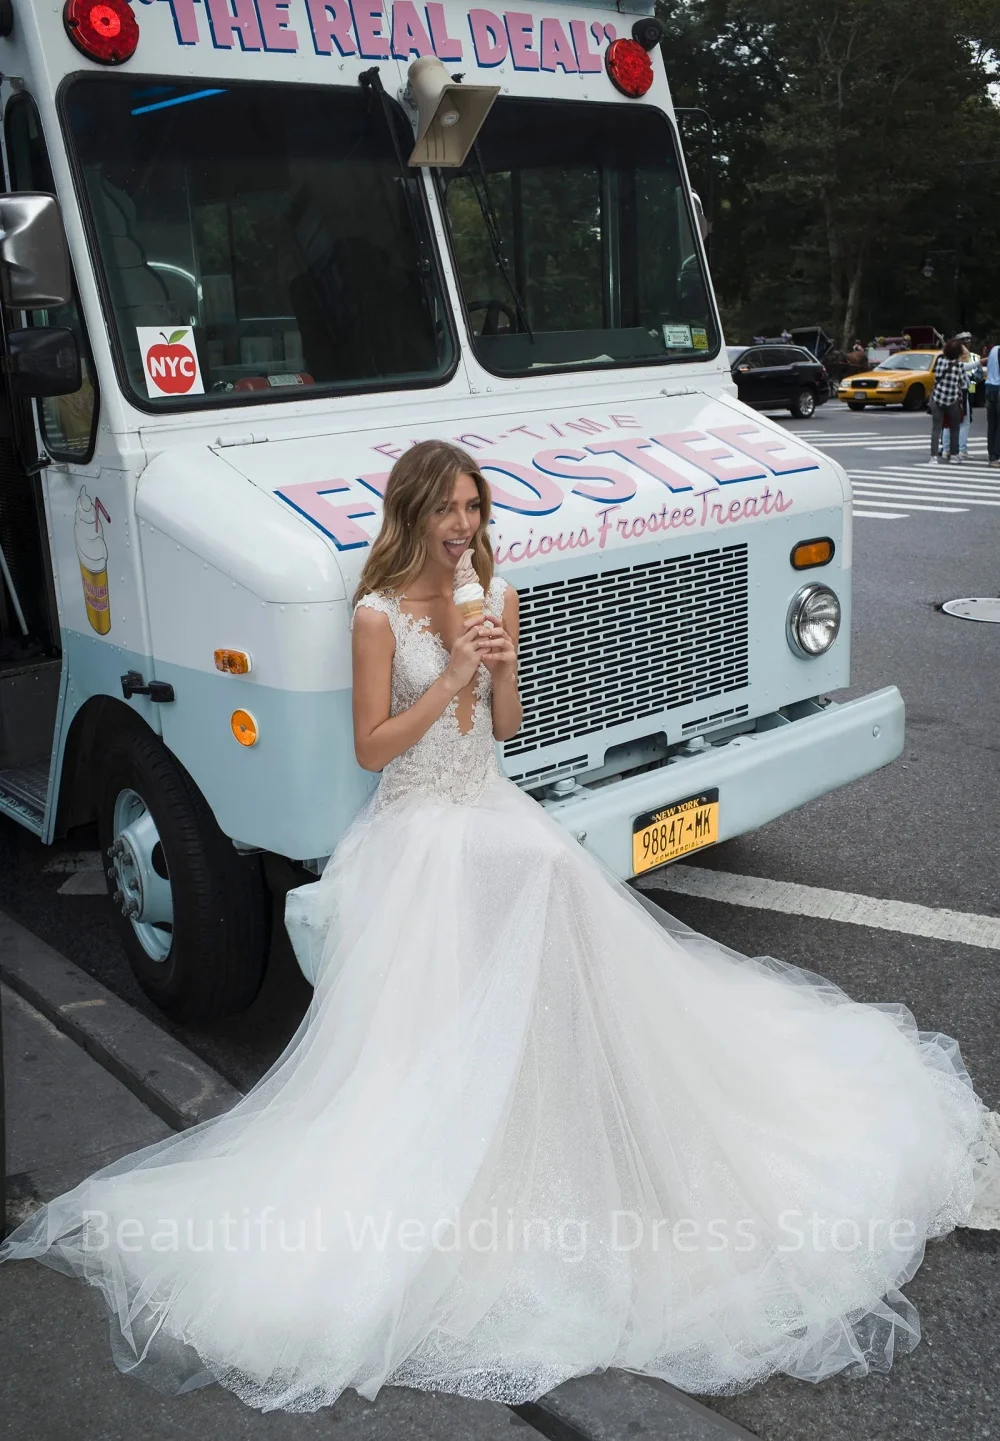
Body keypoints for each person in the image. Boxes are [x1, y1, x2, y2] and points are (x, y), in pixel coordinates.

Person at [1, 439, 999, 1412]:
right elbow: (372, 742)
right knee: (479, 960)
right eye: (447, 511)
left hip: (489, 805)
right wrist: (445, 679)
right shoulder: (377, 615)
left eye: (475, 511)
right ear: (411, 516)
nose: (464, 528)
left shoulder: (497, 594)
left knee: (560, 894)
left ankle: (582, 1120)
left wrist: (505, 666)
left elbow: (507, 730)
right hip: (418, 822)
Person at [941, 333, 981, 459]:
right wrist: (982, 361)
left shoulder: (943, 362)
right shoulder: (957, 363)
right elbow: (969, 366)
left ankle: (946, 450)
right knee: (964, 422)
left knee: (948, 423)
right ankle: (962, 449)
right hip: (960, 394)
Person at [930, 338, 968, 462]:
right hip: (952, 400)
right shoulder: (959, 366)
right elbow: (963, 383)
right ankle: (954, 455)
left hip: (937, 398)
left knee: (936, 428)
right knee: (954, 428)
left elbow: (936, 376)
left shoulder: (940, 361)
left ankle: (933, 457)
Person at [985, 336, 1000, 469]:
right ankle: (996, 456)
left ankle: (992, 456)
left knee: (992, 425)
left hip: (989, 389)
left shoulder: (994, 350)